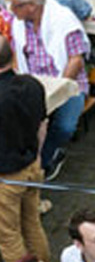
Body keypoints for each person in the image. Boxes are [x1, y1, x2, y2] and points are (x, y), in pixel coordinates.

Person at [7, 0, 89, 177]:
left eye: (16, 6)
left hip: (68, 83)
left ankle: (45, 159)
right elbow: (16, 54)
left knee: (64, 126)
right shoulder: (20, 23)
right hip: (33, 82)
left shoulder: (63, 20)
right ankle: (24, 164)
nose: (11, 10)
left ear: (32, 7)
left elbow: (76, 60)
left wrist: (59, 86)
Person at [0, 35, 48, 262]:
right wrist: (37, 156)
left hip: (6, 178)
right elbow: (42, 124)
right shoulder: (32, 85)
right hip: (32, 165)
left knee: (9, 236)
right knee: (32, 223)